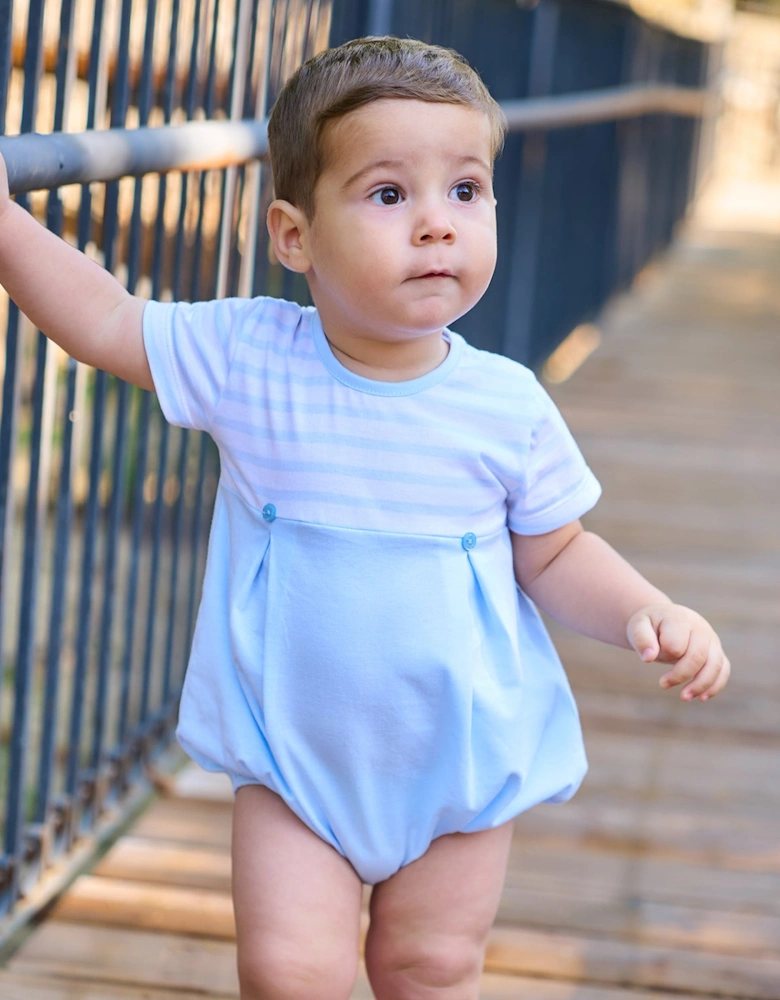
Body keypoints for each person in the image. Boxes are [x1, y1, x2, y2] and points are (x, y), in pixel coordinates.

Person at [0, 35, 729, 1000]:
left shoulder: (506, 405)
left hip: (458, 763)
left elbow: (555, 555)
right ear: (293, 237)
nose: (437, 226)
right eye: (390, 195)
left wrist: (649, 610)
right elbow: (102, 320)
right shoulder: (252, 358)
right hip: (295, 762)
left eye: (465, 192)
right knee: (289, 973)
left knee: (429, 967)